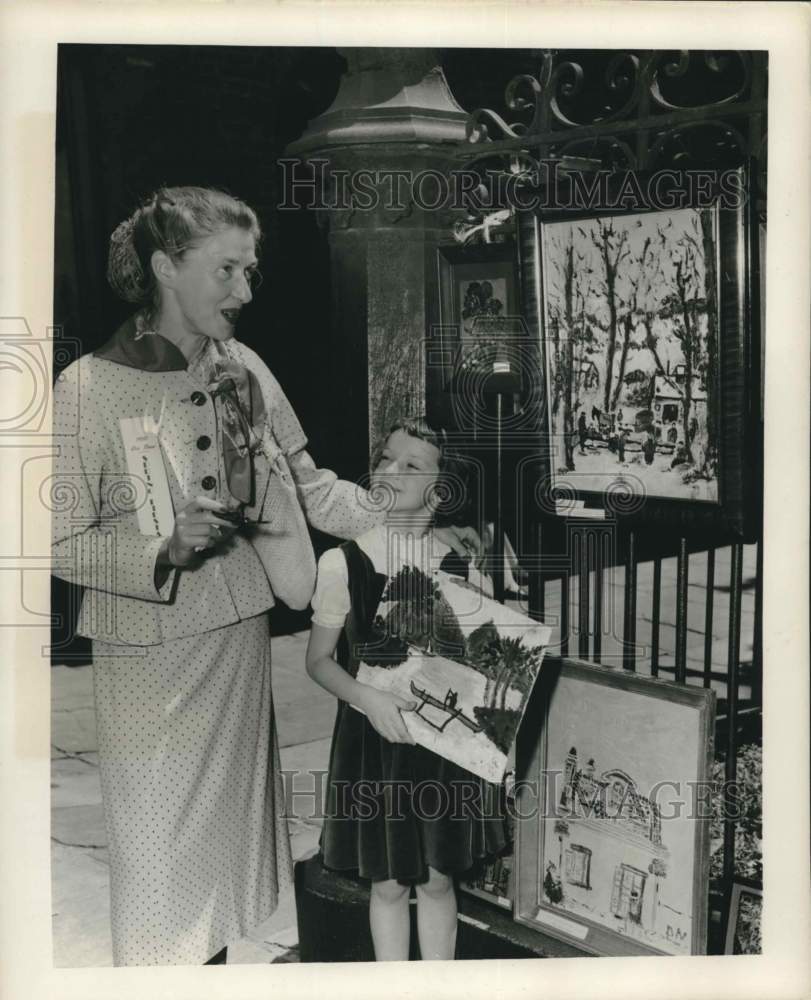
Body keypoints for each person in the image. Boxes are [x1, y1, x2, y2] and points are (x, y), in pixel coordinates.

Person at [51, 187, 480, 966]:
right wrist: (161, 549)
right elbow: (54, 543)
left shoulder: (244, 367)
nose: (245, 292)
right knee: (155, 859)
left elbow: (313, 486)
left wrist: (410, 522)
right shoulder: (86, 387)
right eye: (226, 270)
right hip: (146, 658)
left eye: (250, 271)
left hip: (239, 636)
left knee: (224, 851)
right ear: (165, 267)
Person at [305, 417, 507, 961]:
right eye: (386, 458)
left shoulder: (465, 565)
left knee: (440, 880)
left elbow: (492, 661)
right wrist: (365, 697)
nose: (390, 470)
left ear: (439, 491)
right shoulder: (342, 562)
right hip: (376, 746)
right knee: (389, 884)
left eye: (411, 465)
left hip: (444, 751)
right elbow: (319, 662)